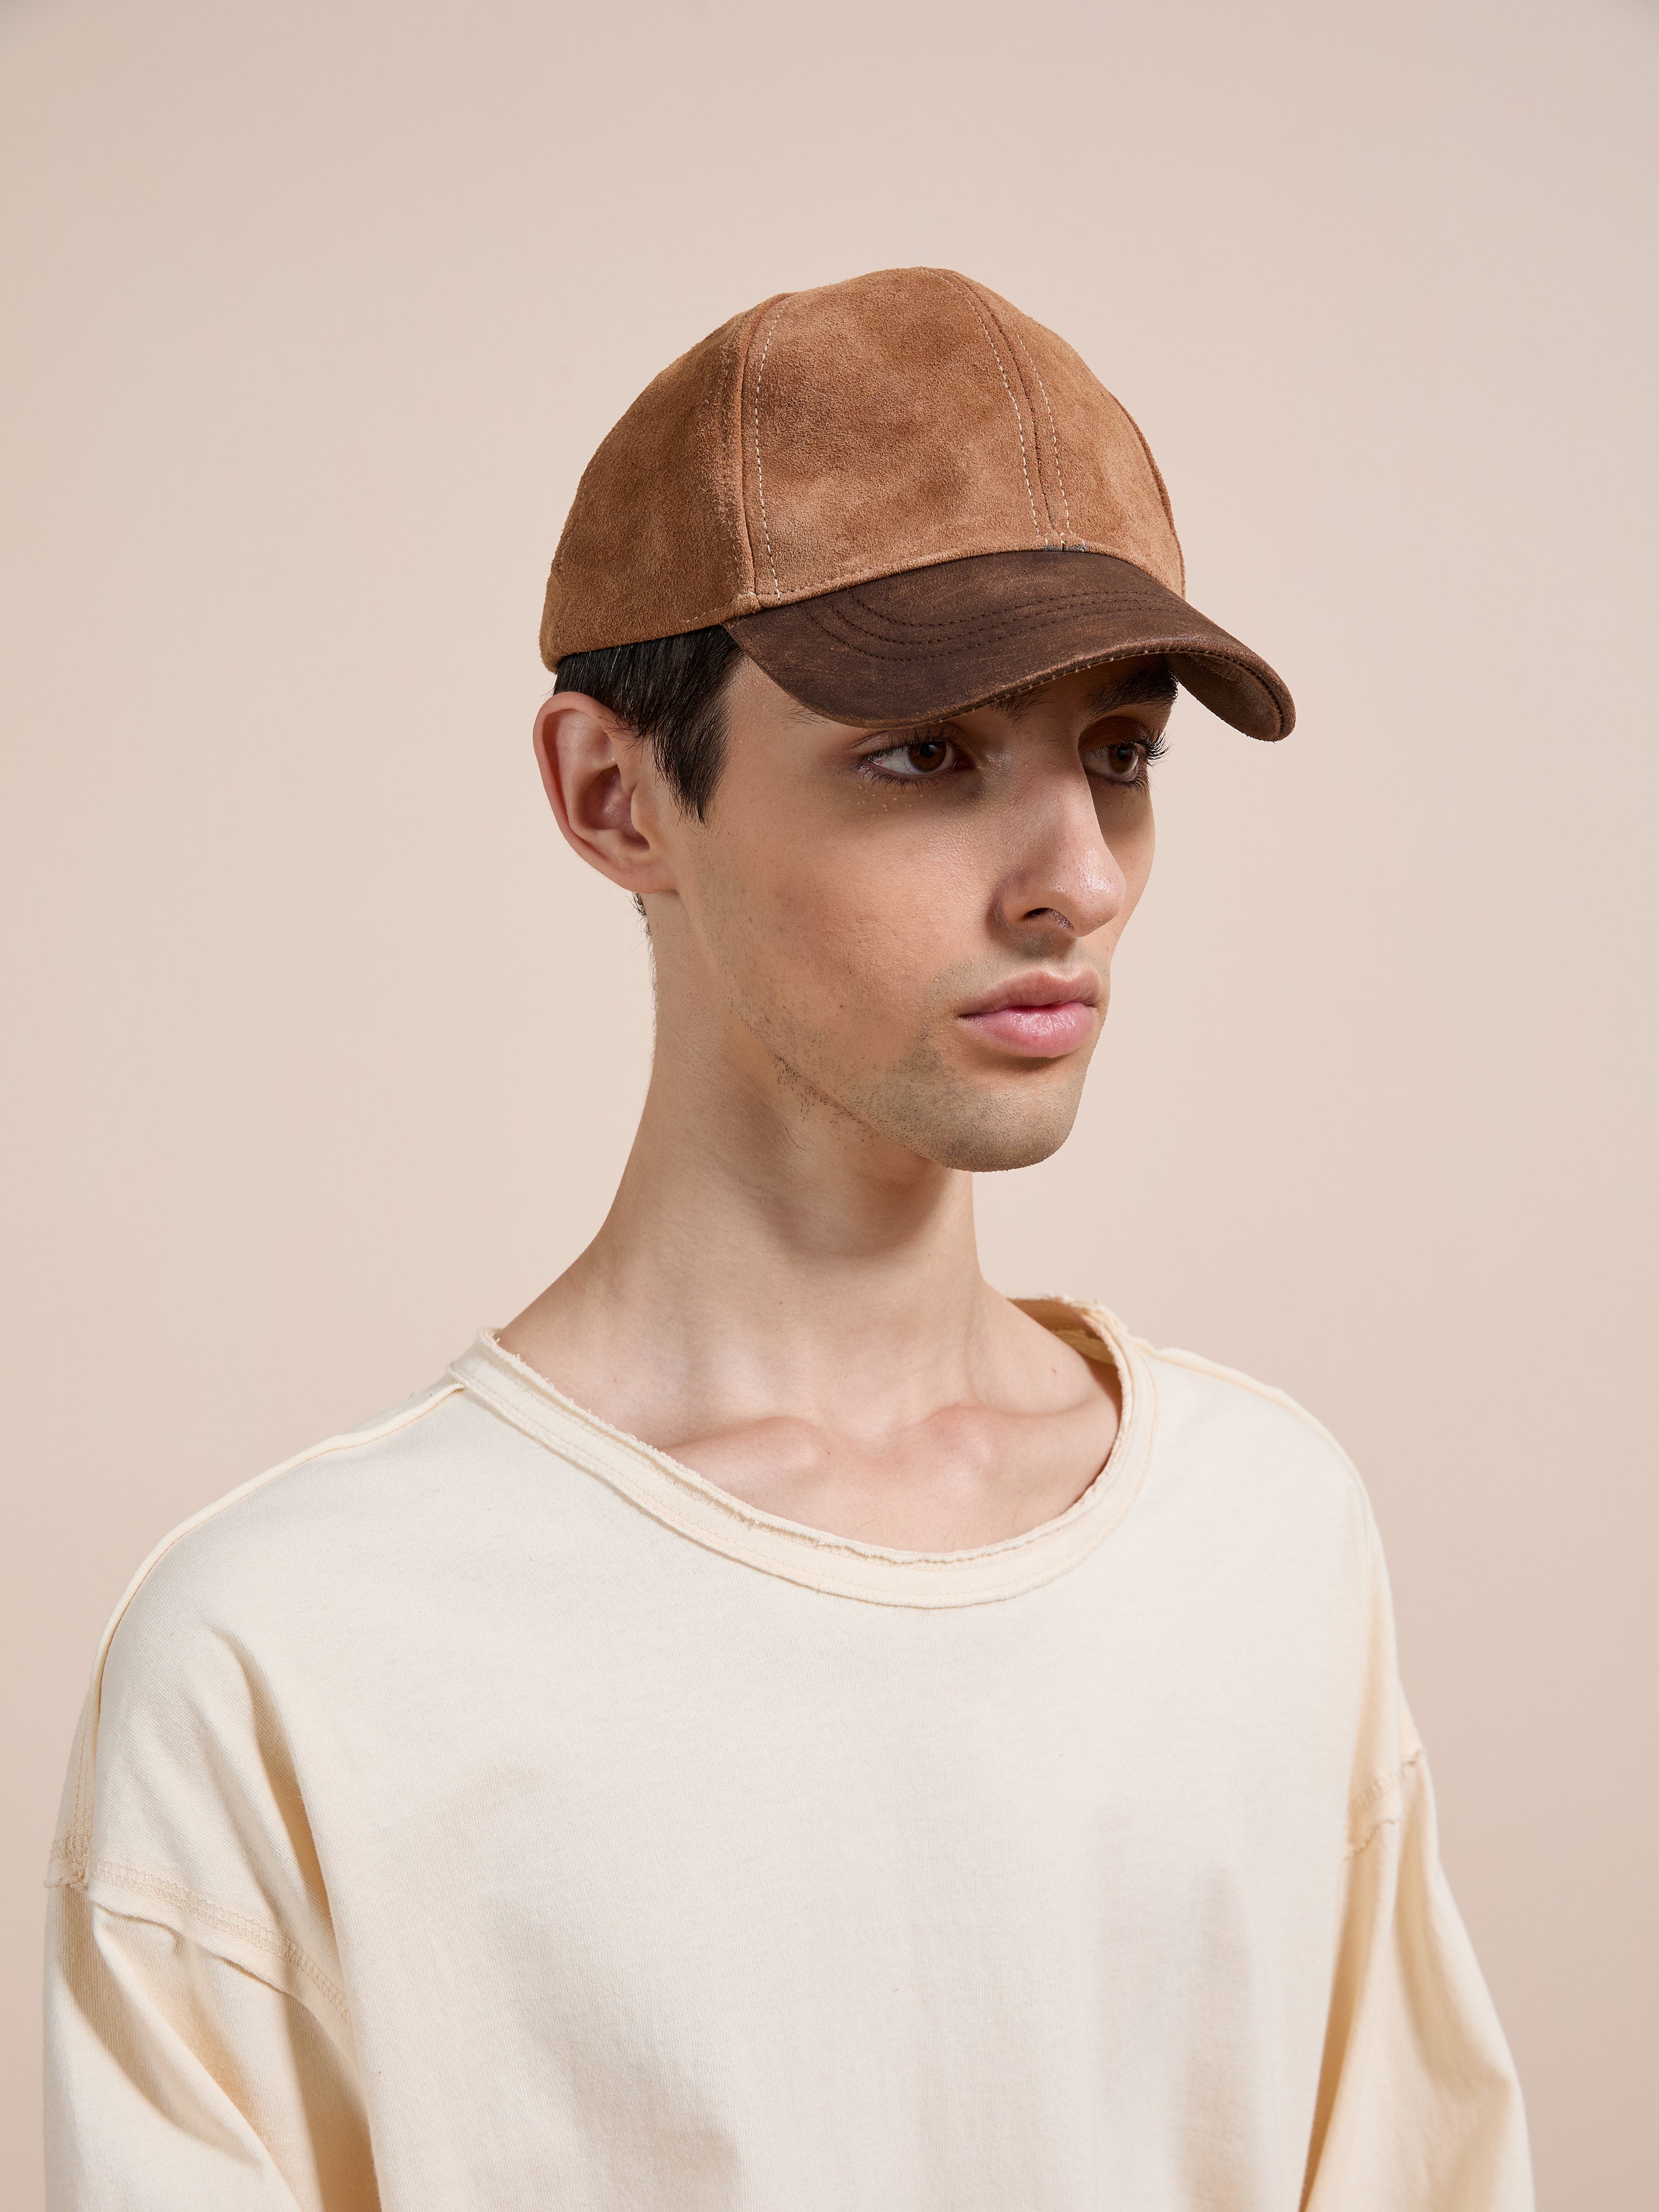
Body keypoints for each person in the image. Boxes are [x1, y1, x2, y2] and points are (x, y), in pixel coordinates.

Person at [44, 267, 1533, 2210]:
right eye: (929, 754)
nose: (1076, 877)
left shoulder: (1267, 1543)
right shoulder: (287, 1661)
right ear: (613, 794)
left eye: (1120, 752)